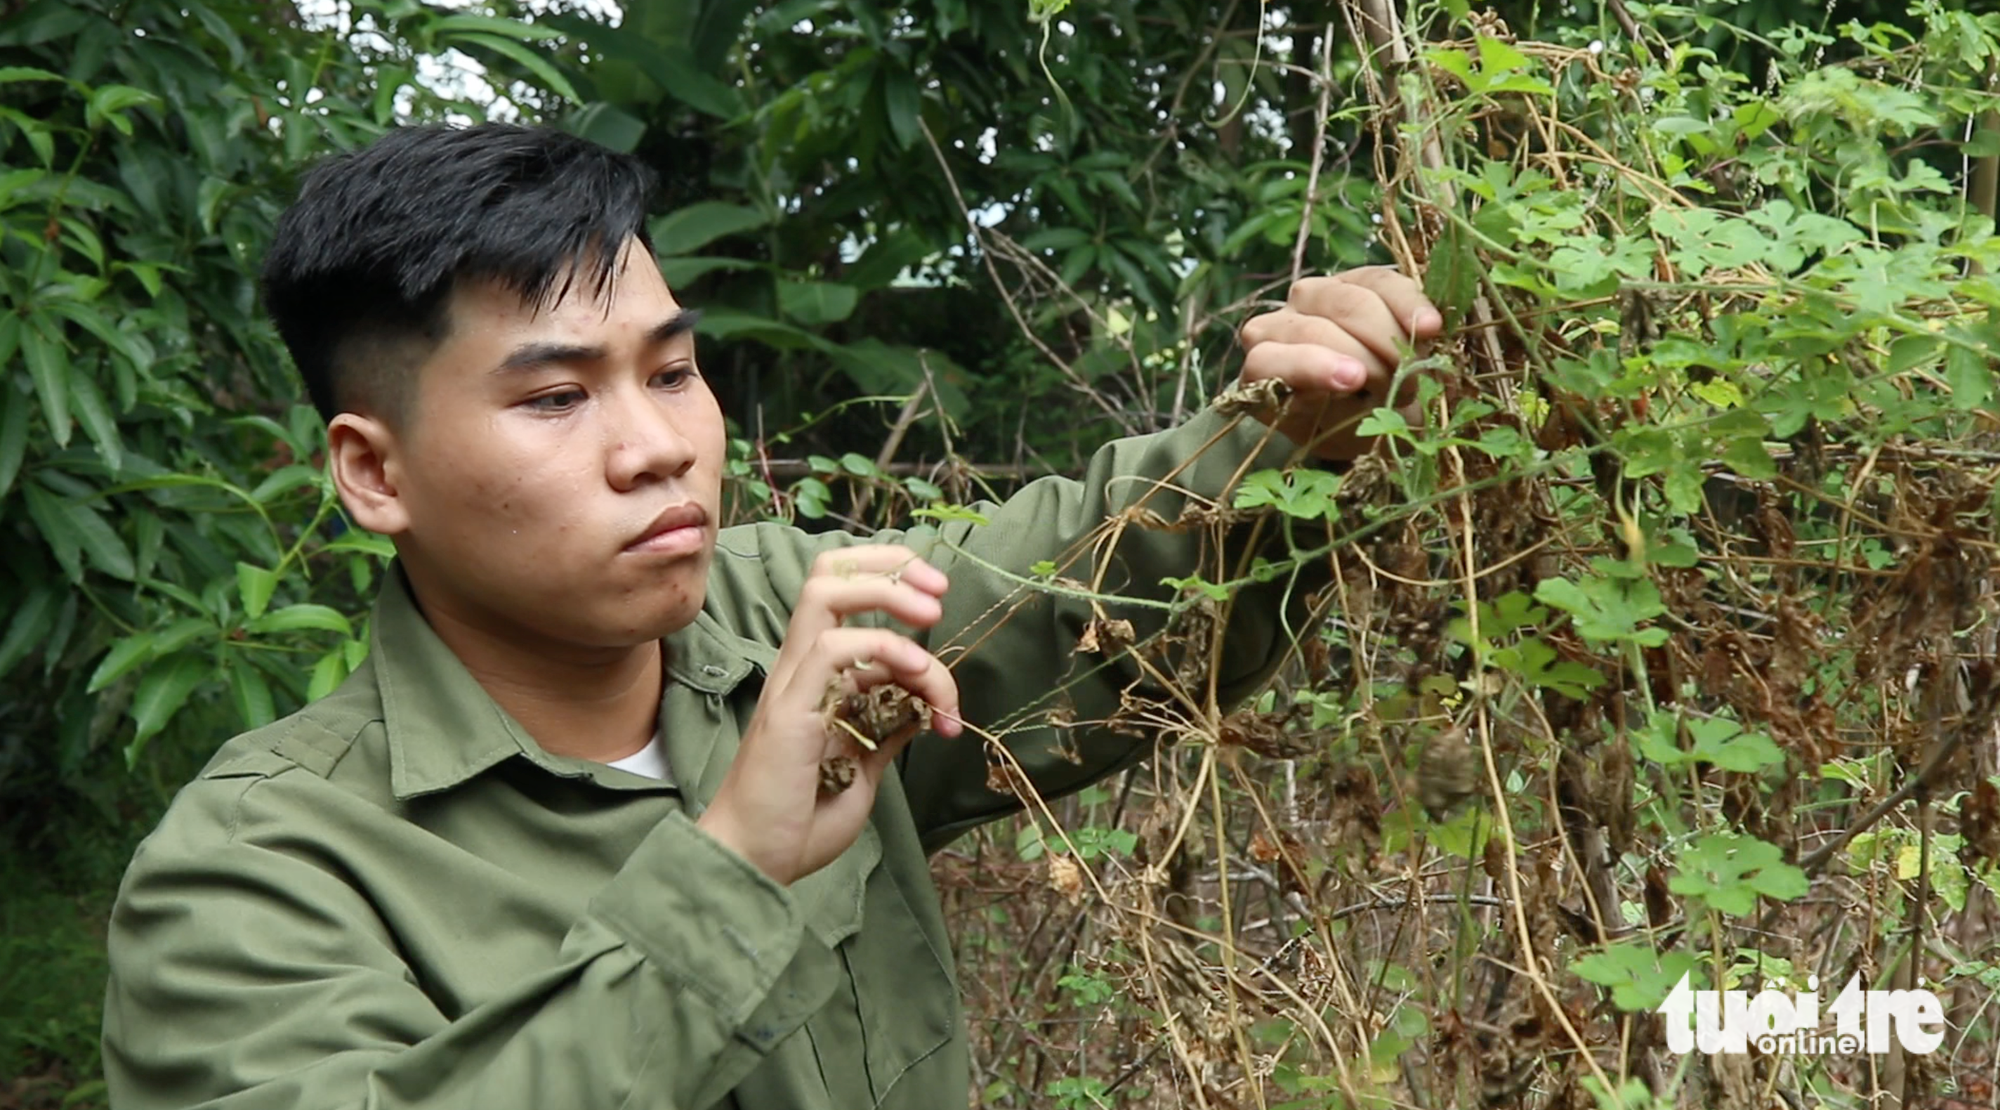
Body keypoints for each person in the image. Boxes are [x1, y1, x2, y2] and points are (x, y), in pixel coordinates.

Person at [101, 123, 1442, 1109]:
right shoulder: (254, 867)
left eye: (674, 371)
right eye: (555, 398)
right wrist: (733, 864)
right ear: (375, 471)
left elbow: (1087, 581)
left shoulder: (781, 616)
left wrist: (1294, 436)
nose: (656, 447)